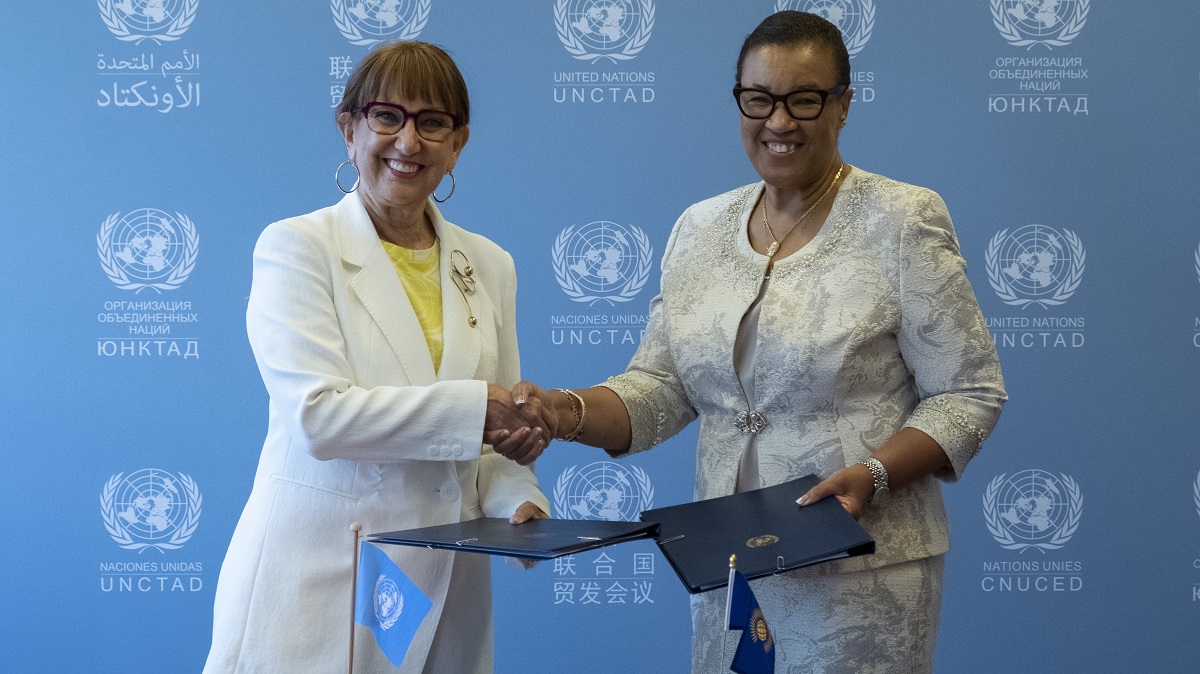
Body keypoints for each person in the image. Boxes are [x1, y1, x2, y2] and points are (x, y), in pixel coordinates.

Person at [514, 11, 1006, 673]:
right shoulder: (698, 227)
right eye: (759, 100)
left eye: (804, 99)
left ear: (843, 106)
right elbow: (659, 390)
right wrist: (561, 412)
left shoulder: (903, 219)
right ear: (739, 104)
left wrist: (876, 473)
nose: (779, 122)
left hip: (863, 568)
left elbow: (968, 394)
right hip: (730, 568)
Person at [204, 41, 553, 674]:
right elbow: (319, 417)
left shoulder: (490, 264)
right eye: (387, 116)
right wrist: (482, 412)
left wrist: (518, 501)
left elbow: (493, 434)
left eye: (433, 122)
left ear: (459, 143)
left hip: (448, 573)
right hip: (325, 571)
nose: (408, 141)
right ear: (349, 129)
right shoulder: (297, 247)